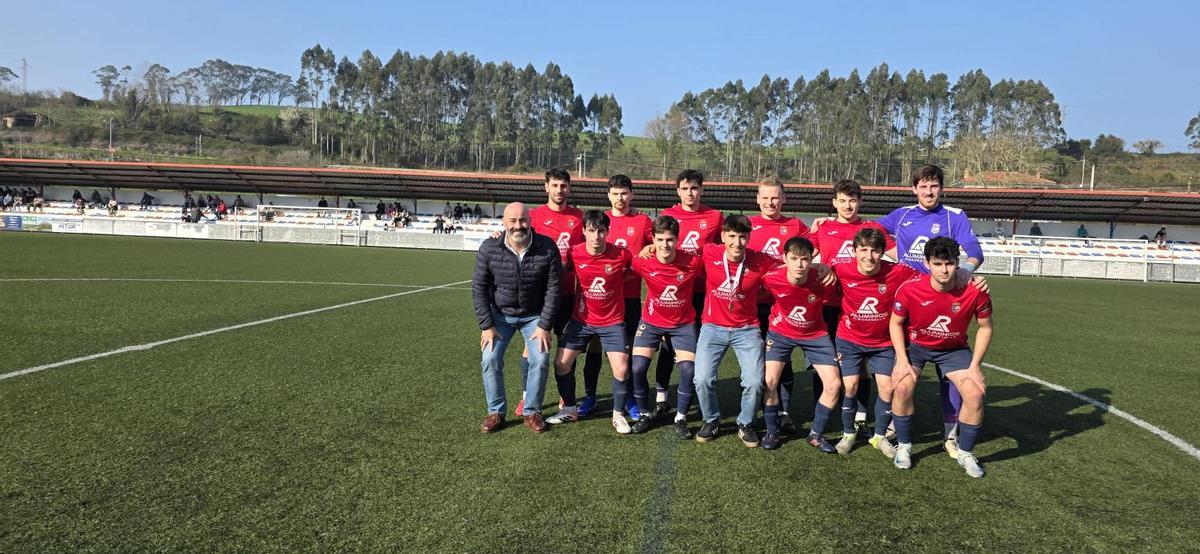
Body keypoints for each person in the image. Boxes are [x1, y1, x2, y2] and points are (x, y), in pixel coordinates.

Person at [876, 164, 983, 458]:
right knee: (901, 369)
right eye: (923, 186)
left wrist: (966, 270)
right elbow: (872, 231)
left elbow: (974, 250)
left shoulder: (954, 216)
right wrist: (895, 251)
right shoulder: (902, 215)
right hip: (909, 298)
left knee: (949, 373)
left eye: (934, 185)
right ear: (914, 189)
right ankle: (894, 424)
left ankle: (950, 433)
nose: (929, 191)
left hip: (944, 298)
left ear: (941, 188)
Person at [889, 236, 994, 478]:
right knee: (902, 387)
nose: (944, 270)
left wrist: (975, 366)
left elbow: (986, 327)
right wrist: (901, 360)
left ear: (958, 262)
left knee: (975, 393)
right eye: (937, 264)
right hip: (916, 347)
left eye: (949, 263)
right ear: (927, 263)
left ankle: (965, 453)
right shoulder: (910, 288)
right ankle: (904, 446)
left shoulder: (975, 290)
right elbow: (895, 323)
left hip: (953, 350)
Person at [810, 179, 895, 434]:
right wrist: (819, 265)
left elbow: (898, 254)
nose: (848, 206)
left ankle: (859, 416)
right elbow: (801, 257)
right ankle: (824, 410)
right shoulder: (823, 228)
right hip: (828, 304)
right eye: (843, 201)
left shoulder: (872, 228)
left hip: (859, 307)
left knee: (861, 366)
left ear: (860, 202)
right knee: (825, 361)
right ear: (834, 202)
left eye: (853, 200)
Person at [472, 202, 562, 434]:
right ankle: (496, 412)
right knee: (490, 358)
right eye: (512, 221)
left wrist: (544, 325)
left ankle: (532, 411)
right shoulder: (489, 248)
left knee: (540, 359)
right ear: (504, 223)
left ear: (530, 221)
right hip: (500, 316)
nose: (518, 225)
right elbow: (479, 288)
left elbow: (554, 289)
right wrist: (487, 325)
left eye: (522, 220)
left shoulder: (547, 247)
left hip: (534, 317)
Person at [692, 215, 780, 447]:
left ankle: (745, 423)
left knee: (754, 381)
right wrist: (650, 247)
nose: (737, 242)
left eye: (742, 237)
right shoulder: (709, 252)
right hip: (712, 327)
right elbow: (679, 254)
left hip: (746, 329)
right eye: (732, 236)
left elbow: (789, 266)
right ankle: (711, 420)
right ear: (722, 236)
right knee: (702, 379)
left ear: (749, 238)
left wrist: (819, 266)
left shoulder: (760, 260)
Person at [544, 210, 635, 434]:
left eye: (601, 231)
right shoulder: (574, 253)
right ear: (584, 231)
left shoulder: (621, 254)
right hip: (582, 320)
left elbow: (636, 268)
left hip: (612, 321)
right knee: (561, 363)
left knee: (622, 368)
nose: (596, 236)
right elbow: (556, 270)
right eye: (592, 231)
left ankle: (618, 415)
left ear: (608, 232)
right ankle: (570, 408)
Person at [579, 175, 653, 420]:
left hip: (629, 296)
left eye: (624, 193)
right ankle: (590, 396)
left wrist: (648, 247)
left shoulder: (642, 221)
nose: (620, 198)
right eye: (615, 193)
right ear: (608, 195)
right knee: (594, 346)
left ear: (632, 194)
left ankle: (629, 398)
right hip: (599, 300)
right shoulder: (599, 221)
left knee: (627, 350)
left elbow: (659, 243)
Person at [760, 237, 839, 452]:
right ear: (784, 258)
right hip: (780, 333)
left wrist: (826, 268)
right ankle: (772, 431)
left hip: (815, 335)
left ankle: (816, 434)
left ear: (811, 259)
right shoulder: (771, 278)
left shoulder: (823, 279)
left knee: (834, 385)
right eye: (794, 259)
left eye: (805, 259)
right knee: (769, 381)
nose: (800, 264)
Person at [629, 215, 703, 437]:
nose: (665, 245)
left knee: (688, 370)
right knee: (637, 368)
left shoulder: (693, 262)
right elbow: (624, 266)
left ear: (677, 240)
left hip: (683, 324)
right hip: (651, 322)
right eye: (660, 239)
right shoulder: (642, 261)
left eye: (670, 239)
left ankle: (681, 417)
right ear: (652, 239)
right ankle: (644, 414)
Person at [655, 170, 722, 414]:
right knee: (667, 345)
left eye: (694, 188)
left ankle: (693, 392)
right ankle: (661, 396)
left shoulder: (715, 216)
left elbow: (724, 247)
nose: (690, 193)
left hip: (703, 291)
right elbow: (656, 245)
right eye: (685, 188)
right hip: (674, 291)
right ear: (678, 191)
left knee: (698, 345)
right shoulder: (668, 214)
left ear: (701, 189)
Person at [519, 169, 584, 416]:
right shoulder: (534, 216)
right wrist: (496, 235)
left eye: (563, 185)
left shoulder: (579, 217)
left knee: (566, 350)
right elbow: (516, 238)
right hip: (541, 295)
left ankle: (566, 399)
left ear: (569, 188)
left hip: (568, 294)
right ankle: (526, 397)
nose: (559, 190)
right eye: (555, 185)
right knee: (532, 348)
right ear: (546, 187)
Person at [748, 178, 810, 434]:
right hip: (752, 305)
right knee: (755, 360)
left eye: (775, 197)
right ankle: (754, 409)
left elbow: (815, 248)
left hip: (783, 305)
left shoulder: (795, 225)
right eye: (765, 197)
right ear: (757, 199)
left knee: (781, 359)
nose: (770, 202)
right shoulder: (748, 224)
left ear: (784, 199)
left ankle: (783, 412)